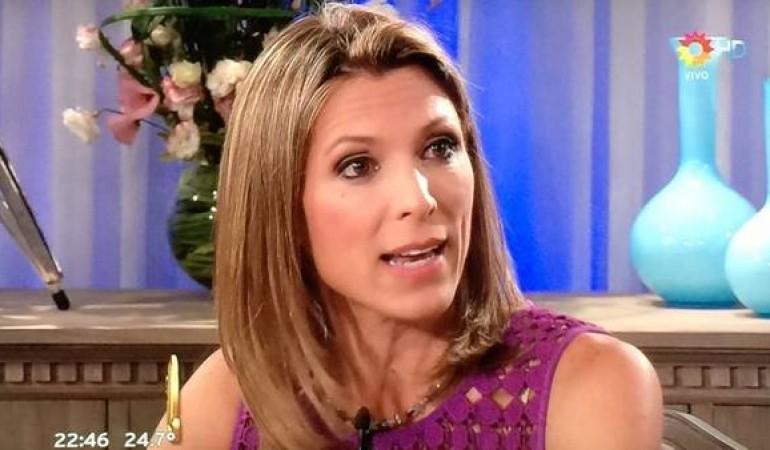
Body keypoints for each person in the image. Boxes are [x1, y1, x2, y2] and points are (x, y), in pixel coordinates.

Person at [155, 3, 663, 449]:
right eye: (358, 165)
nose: (419, 200)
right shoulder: (224, 399)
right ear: (283, 206)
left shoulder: (590, 386)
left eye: (439, 147)